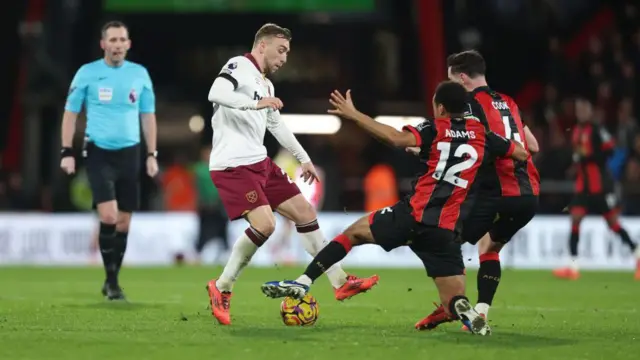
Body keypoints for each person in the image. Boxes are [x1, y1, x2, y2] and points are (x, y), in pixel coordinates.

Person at [261, 81, 529, 336]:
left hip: (413, 215)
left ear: (441, 108)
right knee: (453, 302)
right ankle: (460, 306)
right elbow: (521, 153)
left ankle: (303, 281)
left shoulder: (435, 128)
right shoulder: (482, 135)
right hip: (444, 230)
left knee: (352, 233)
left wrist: (355, 115)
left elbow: (394, 138)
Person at [205, 23, 379, 326]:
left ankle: (339, 282)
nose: (285, 58)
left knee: (305, 212)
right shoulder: (238, 65)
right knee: (266, 224)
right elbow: (215, 93)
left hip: (259, 162)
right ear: (262, 45)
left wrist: (304, 159)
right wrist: (255, 103)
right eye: (281, 50)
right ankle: (221, 287)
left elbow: (276, 126)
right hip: (232, 164)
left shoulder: (267, 85)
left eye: (287, 52)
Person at [415, 50, 541, 330]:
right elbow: (532, 146)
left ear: (461, 78)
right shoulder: (509, 102)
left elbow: (468, 142)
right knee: (489, 246)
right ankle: (481, 311)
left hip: (497, 193)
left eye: (451, 81)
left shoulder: (470, 104)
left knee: (443, 240)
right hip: (529, 195)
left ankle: (451, 306)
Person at [60, 21, 158, 300]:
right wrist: (66, 151)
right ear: (103, 44)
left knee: (124, 222)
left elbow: (148, 117)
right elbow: (70, 113)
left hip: (130, 152)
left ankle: (112, 279)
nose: (117, 45)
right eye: (112, 40)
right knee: (109, 216)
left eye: (121, 40)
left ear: (128, 44)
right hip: (98, 151)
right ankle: (112, 281)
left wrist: (152, 154)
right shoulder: (87, 73)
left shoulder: (139, 74)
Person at [553, 97, 640, 280]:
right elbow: (578, 155)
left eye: (584, 109)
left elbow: (609, 151)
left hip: (600, 186)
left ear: (590, 111)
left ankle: (637, 255)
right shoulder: (576, 130)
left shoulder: (598, 130)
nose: (581, 112)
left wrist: (590, 157)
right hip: (583, 186)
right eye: (579, 109)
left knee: (613, 224)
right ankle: (573, 267)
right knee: (575, 219)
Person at [192, 145, 229, 264]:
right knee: (203, 231)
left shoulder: (220, 169)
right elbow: (197, 188)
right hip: (206, 206)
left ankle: (225, 254)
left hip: (219, 205)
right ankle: (198, 254)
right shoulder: (199, 169)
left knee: (222, 230)